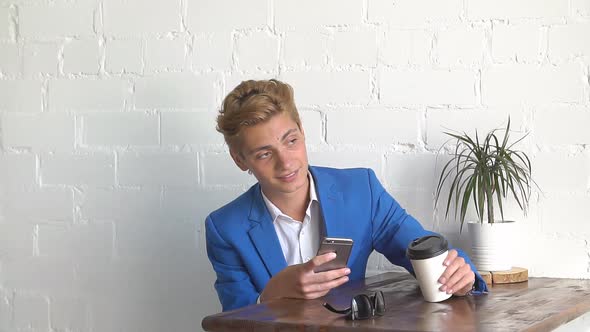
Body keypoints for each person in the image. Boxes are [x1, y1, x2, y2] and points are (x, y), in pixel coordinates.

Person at [205, 79, 488, 312]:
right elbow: (234, 320)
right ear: (240, 160)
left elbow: (420, 248)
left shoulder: (360, 190)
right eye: (264, 154)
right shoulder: (225, 228)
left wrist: (459, 275)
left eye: (291, 141)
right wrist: (270, 295)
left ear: (303, 130)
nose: (286, 162)